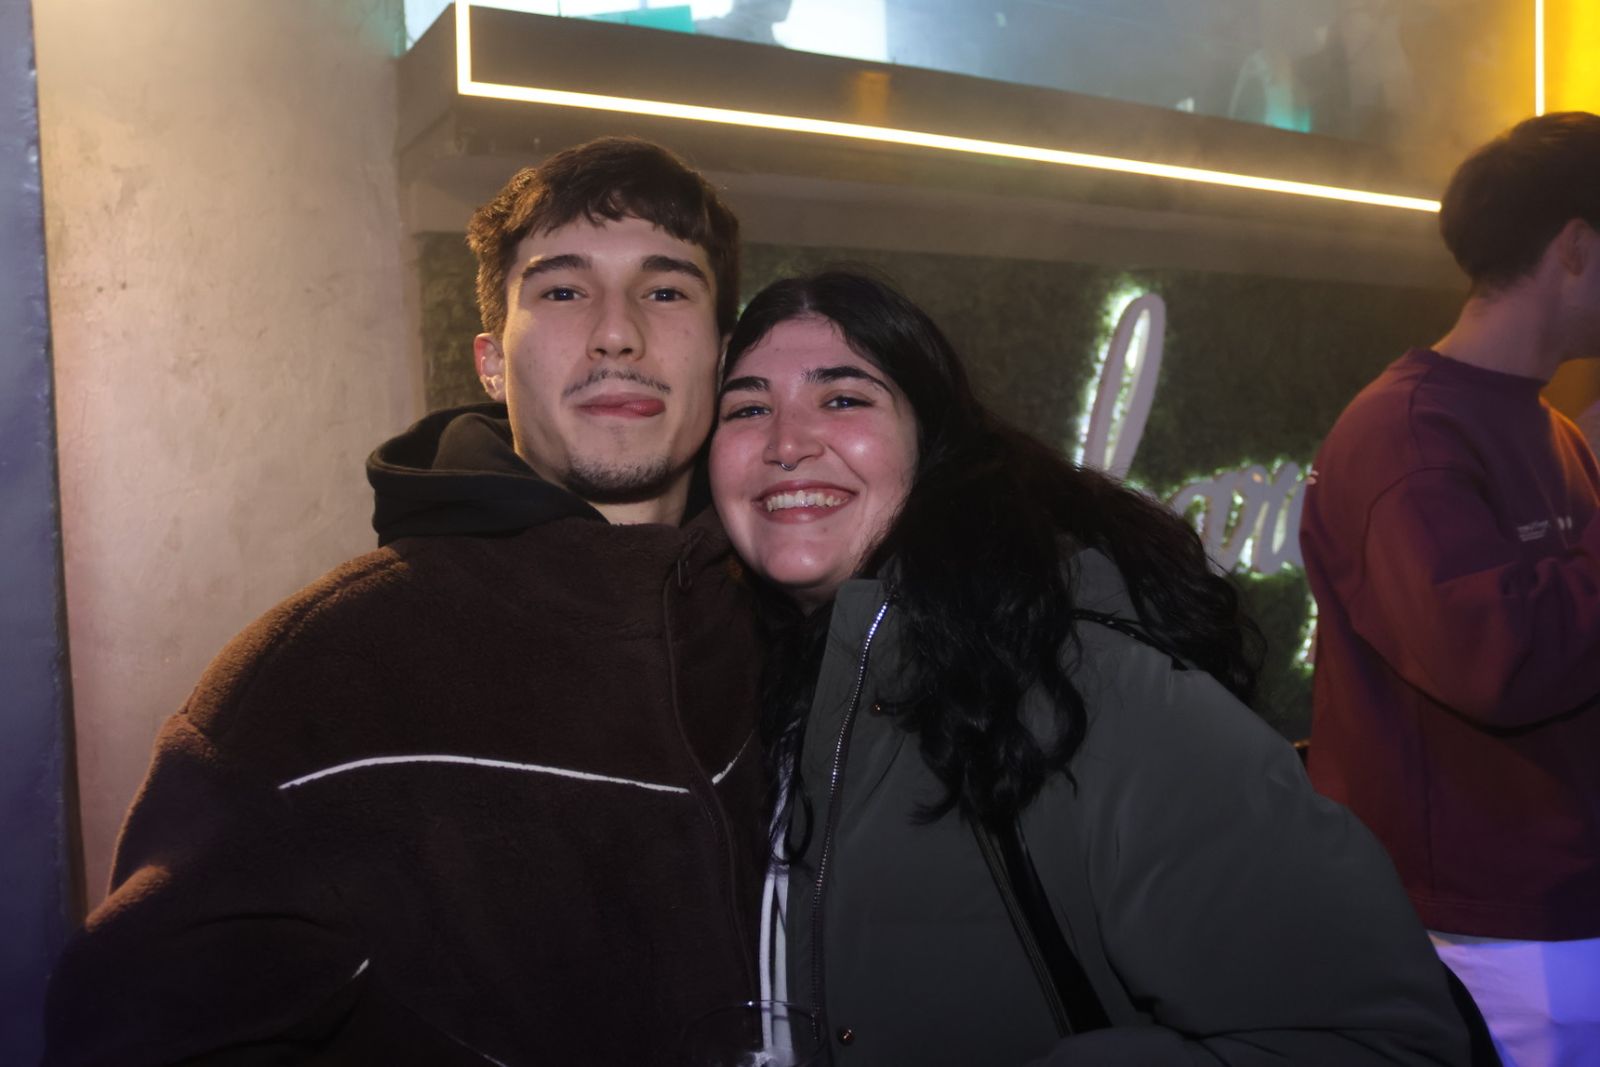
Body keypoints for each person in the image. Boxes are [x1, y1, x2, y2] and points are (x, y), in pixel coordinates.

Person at [44, 137, 765, 1065]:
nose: (617, 332)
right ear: (491, 364)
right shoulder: (318, 676)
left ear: (724, 351)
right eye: (560, 289)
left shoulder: (793, 634)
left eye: (666, 290)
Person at [706, 269, 1470, 1066]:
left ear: (931, 443)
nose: (787, 443)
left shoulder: (1091, 684)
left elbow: (1381, 1041)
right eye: (748, 407)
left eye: (843, 398)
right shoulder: (749, 695)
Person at [1299, 112, 1600, 1066]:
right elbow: (1497, 661)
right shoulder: (1408, 434)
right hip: (1494, 935)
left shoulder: (1547, 424)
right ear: (1579, 247)